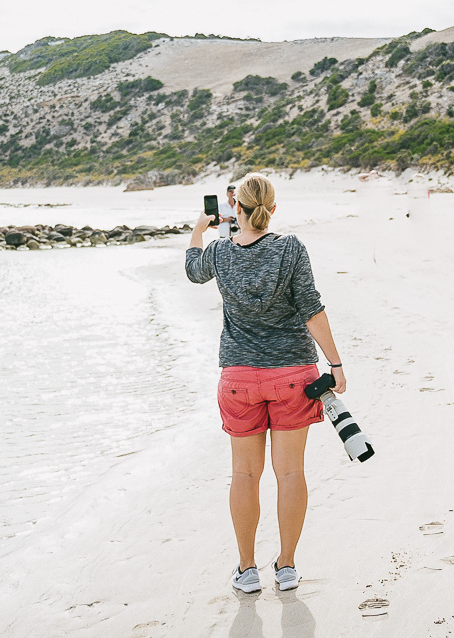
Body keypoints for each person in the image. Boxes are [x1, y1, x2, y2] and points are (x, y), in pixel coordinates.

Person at [185, 172, 346, 594]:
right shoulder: (291, 248)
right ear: (273, 209)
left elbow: (192, 270)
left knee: (244, 475)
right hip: (293, 375)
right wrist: (336, 363)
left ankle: (247, 569)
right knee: (290, 473)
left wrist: (198, 230)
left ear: (234, 209)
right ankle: (288, 567)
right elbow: (312, 309)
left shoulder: (219, 252)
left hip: (239, 379)